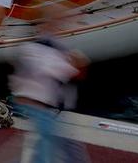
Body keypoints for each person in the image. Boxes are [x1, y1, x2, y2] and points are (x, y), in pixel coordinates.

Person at [10, 9, 88, 162]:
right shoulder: (43, 48)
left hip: (46, 107)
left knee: (50, 145)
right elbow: (72, 71)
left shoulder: (41, 45)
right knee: (50, 150)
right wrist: (74, 61)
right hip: (41, 108)